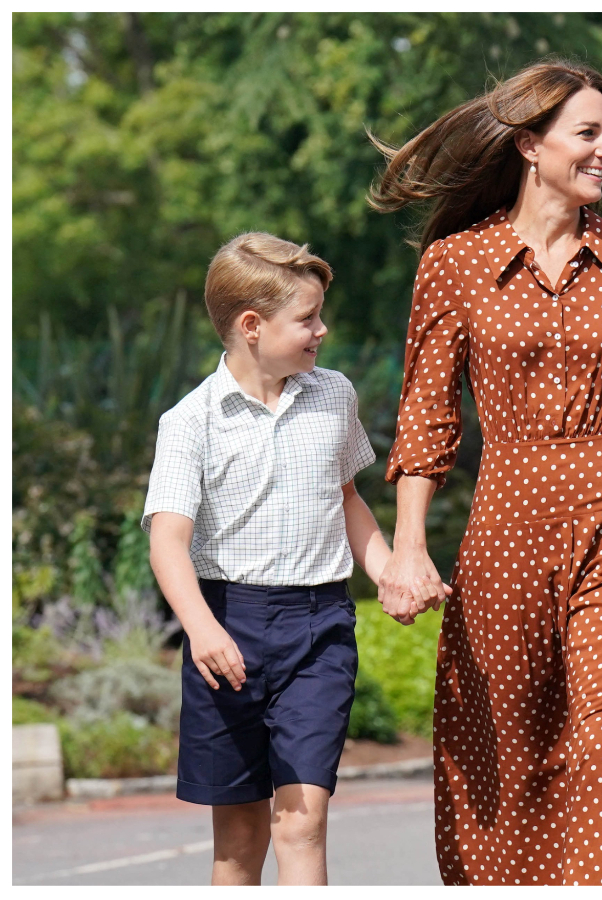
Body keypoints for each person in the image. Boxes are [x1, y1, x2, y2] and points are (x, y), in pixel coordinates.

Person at [367, 59, 602, 885]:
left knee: (600, 748)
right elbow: (426, 416)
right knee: (504, 761)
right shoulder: (454, 264)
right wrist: (409, 547)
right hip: (503, 537)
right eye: (588, 134)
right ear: (530, 144)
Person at [143, 233, 390, 885]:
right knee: (240, 841)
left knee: (302, 822)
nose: (322, 329)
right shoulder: (190, 421)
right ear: (252, 327)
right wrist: (201, 629)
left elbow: (347, 498)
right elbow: (167, 539)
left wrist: (389, 569)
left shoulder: (334, 395)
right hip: (226, 627)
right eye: (307, 318)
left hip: (319, 629)